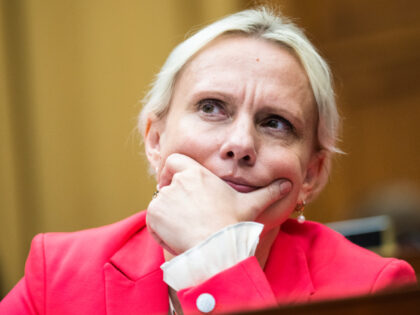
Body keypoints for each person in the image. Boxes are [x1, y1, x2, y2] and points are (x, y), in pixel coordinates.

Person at [0, 7, 416, 315]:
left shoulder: (372, 289)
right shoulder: (56, 274)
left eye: (275, 123)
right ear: (155, 139)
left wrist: (215, 258)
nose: (240, 144)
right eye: (212, 107)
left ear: (311, 174)